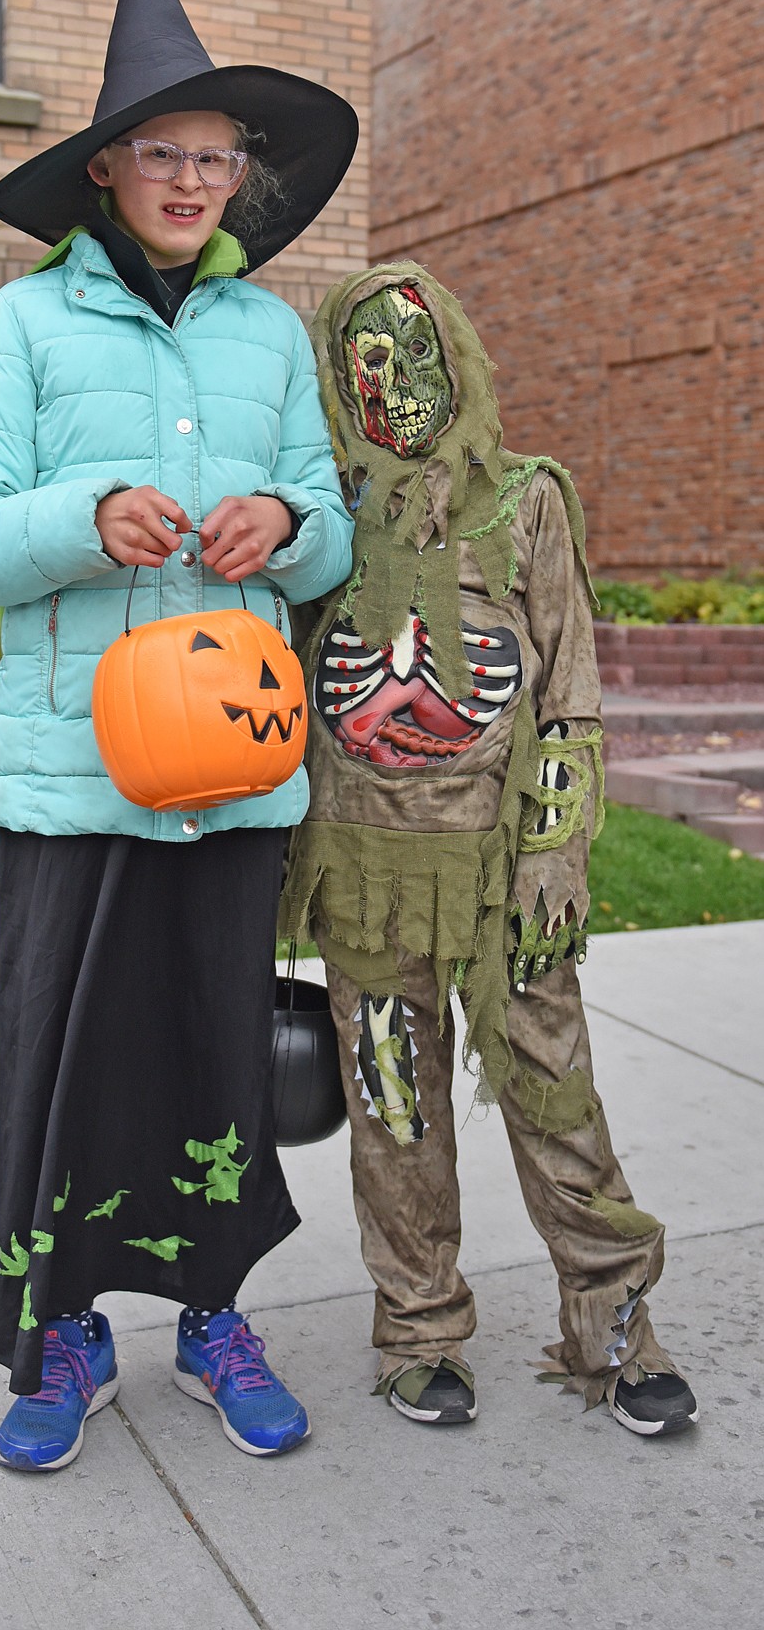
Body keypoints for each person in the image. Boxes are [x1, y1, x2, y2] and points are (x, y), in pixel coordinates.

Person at [0, 0, 357, 1470]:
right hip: (74, 776)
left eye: (215, 153)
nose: (189, 178)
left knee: (208, 1056)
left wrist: (292, 531)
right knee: (61, 1058)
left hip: (236, 768)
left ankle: (213, 1322)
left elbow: (329, 524)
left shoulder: (269, 334)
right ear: (104, 169)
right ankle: (63, 1338)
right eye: (159, 150)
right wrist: (81, 515)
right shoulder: (20, 328)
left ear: (243, 174)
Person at [280, 261, 699, 1439]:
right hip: (364, 882)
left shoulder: (526, 501)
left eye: (418, 357)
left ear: (456, 358)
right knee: (395, 1109)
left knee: (555, 1091)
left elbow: (567, 692)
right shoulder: (325, 516)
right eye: (368, 366)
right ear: (339, 385)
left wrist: (556, 849)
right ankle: (419, 1328)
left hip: (503, 876)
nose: (399, 388)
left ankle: (612, 1316)